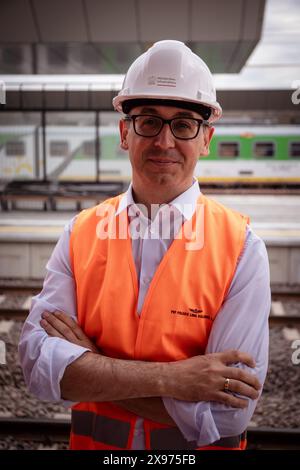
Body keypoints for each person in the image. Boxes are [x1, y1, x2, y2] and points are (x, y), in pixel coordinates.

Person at [19, 40, 270, 450]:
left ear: (206, 139)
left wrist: (93, 365)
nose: (164, 142)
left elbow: (230, 413)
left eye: (184, 124)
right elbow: (37, 369)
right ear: (124, 132)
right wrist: (174, 379)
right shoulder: (80, 233)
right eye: (148, 121)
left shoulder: (242, 247)